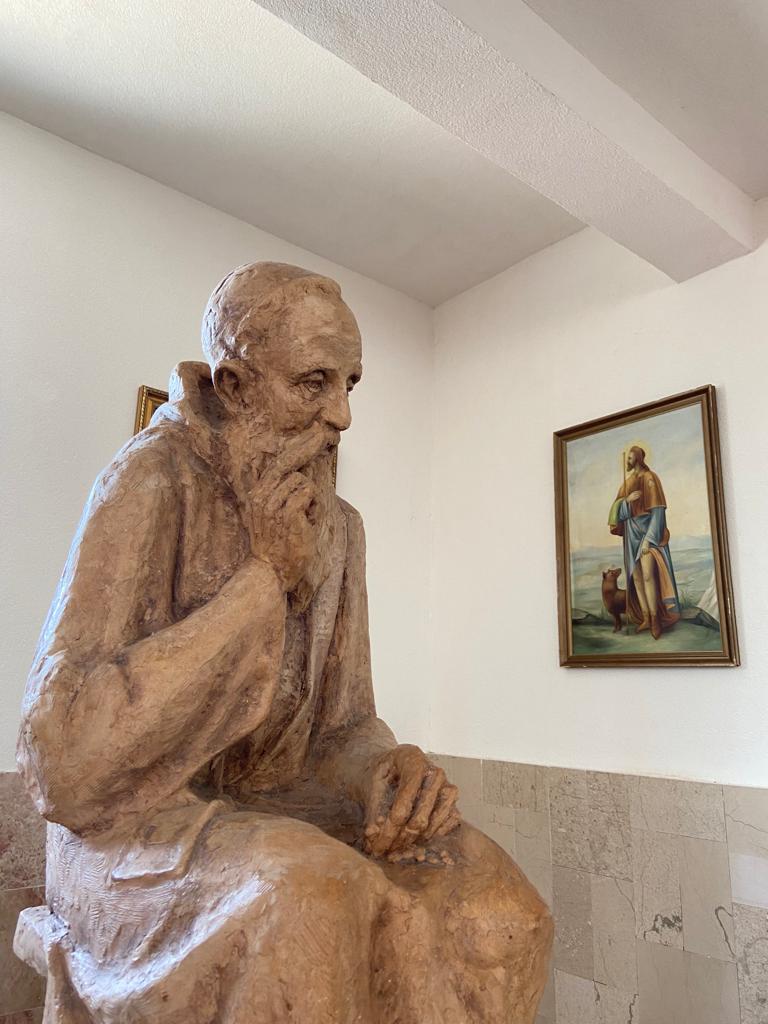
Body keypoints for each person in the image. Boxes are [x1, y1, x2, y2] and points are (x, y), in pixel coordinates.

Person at [16, 263, 552, 1023]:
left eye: (350, 384)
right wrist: (262, 582)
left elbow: (342, 727)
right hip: (132, 832)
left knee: (498, 903)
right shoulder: (150, 482)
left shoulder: (342, 528)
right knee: (312, 894)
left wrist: (383, 770)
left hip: (278, 812)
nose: (343, 415)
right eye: (313, 383)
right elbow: (63, 764)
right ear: (236, 388)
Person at [609, 445, 680, 639]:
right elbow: (616, 512)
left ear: (639, 459)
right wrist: (626, 501)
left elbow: (658, 511)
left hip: (647, 531)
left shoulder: (650, 478)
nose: (628, 461)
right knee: (637, 577)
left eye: (631, 458)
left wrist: (649, 539)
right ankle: (646, 617)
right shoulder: (627, 483)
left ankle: (656, 619)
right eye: (628, 458)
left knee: (648, 575)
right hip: (631, 532)